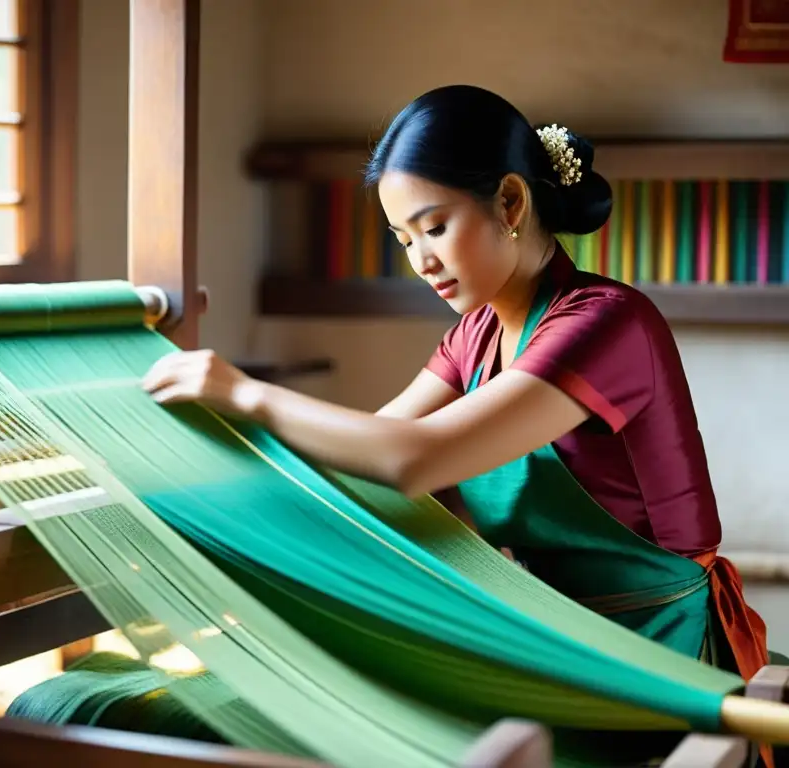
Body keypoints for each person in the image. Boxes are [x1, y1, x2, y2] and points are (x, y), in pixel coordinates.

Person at [140, 84, 778, 750]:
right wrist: (194, 488)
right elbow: (363, 458)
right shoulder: (474, 335)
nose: (420, 261)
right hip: (552, 641)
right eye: (402, 238)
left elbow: (415, 458)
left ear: (510, 201)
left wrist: (246, 394)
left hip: (654, 659)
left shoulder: (607, 324)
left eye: (435, 226)